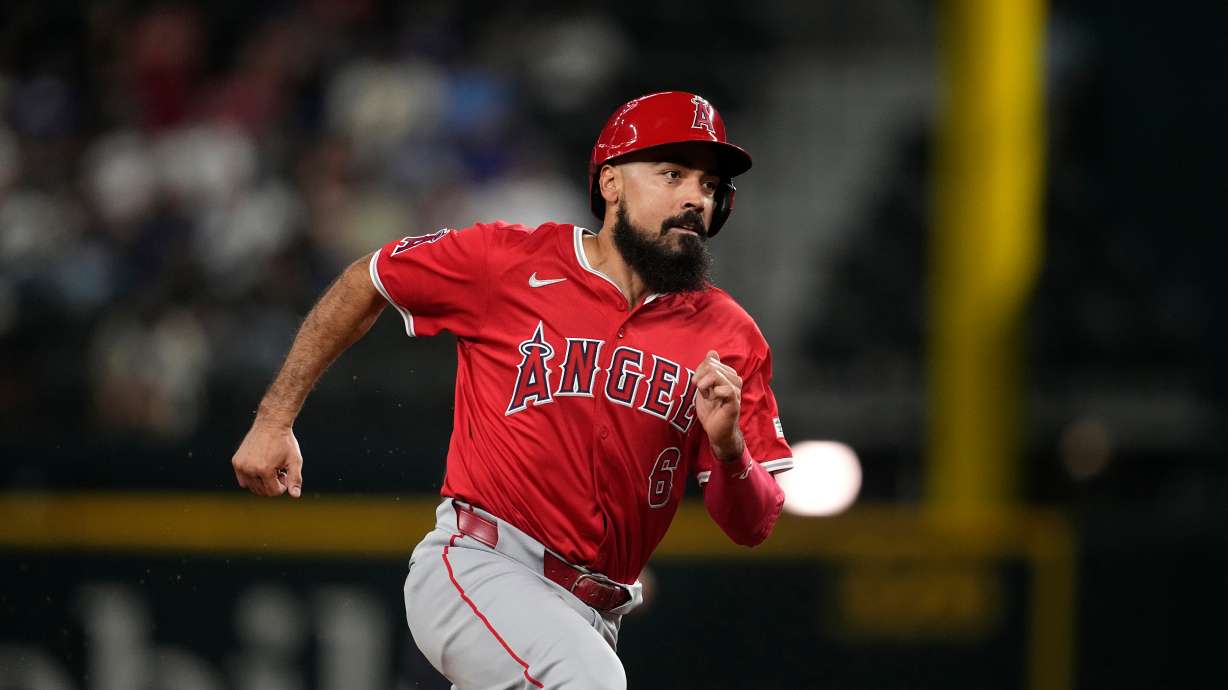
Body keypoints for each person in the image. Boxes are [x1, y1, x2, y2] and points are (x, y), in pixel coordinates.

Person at [231, 91, 793, 689]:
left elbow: (753, 523)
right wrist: (274, 419)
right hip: (481, 566)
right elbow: (366, 280)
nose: (695, 198)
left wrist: (730, 450)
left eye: (709, 185)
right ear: (611, 183)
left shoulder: (729, 335)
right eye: (672, 174)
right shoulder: (509, 262)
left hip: (593, 614)